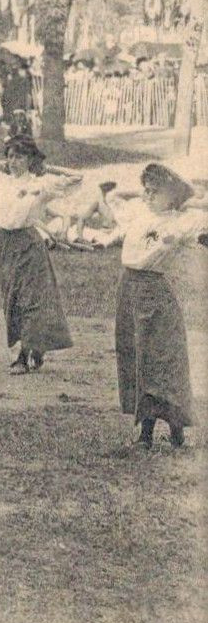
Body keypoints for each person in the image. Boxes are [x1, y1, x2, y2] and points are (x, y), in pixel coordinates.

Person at [114, 165, 207, 449]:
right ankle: (152, 427)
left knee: (159, 359)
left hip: (154, 292)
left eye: (157, 191)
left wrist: (188, 202)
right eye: (147, 189)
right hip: (128, 288)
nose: (149, 195)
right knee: (135, 355)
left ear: (173, 196)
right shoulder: (138, 213)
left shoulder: (181, 222)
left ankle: (162, 430)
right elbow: (116, 197)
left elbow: (200, 234)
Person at [0, 136, 82, 374]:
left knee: (30, 299)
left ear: (31, 159)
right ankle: (35, 345)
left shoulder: (41, 184)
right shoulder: (1, 181)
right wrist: (3, 164)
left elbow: (76, 177)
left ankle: (24, 355)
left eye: (20, 156)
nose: (14, 161)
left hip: (28, 244)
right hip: (4, 244)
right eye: (11, 156)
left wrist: (45, 167)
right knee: (12, 298)